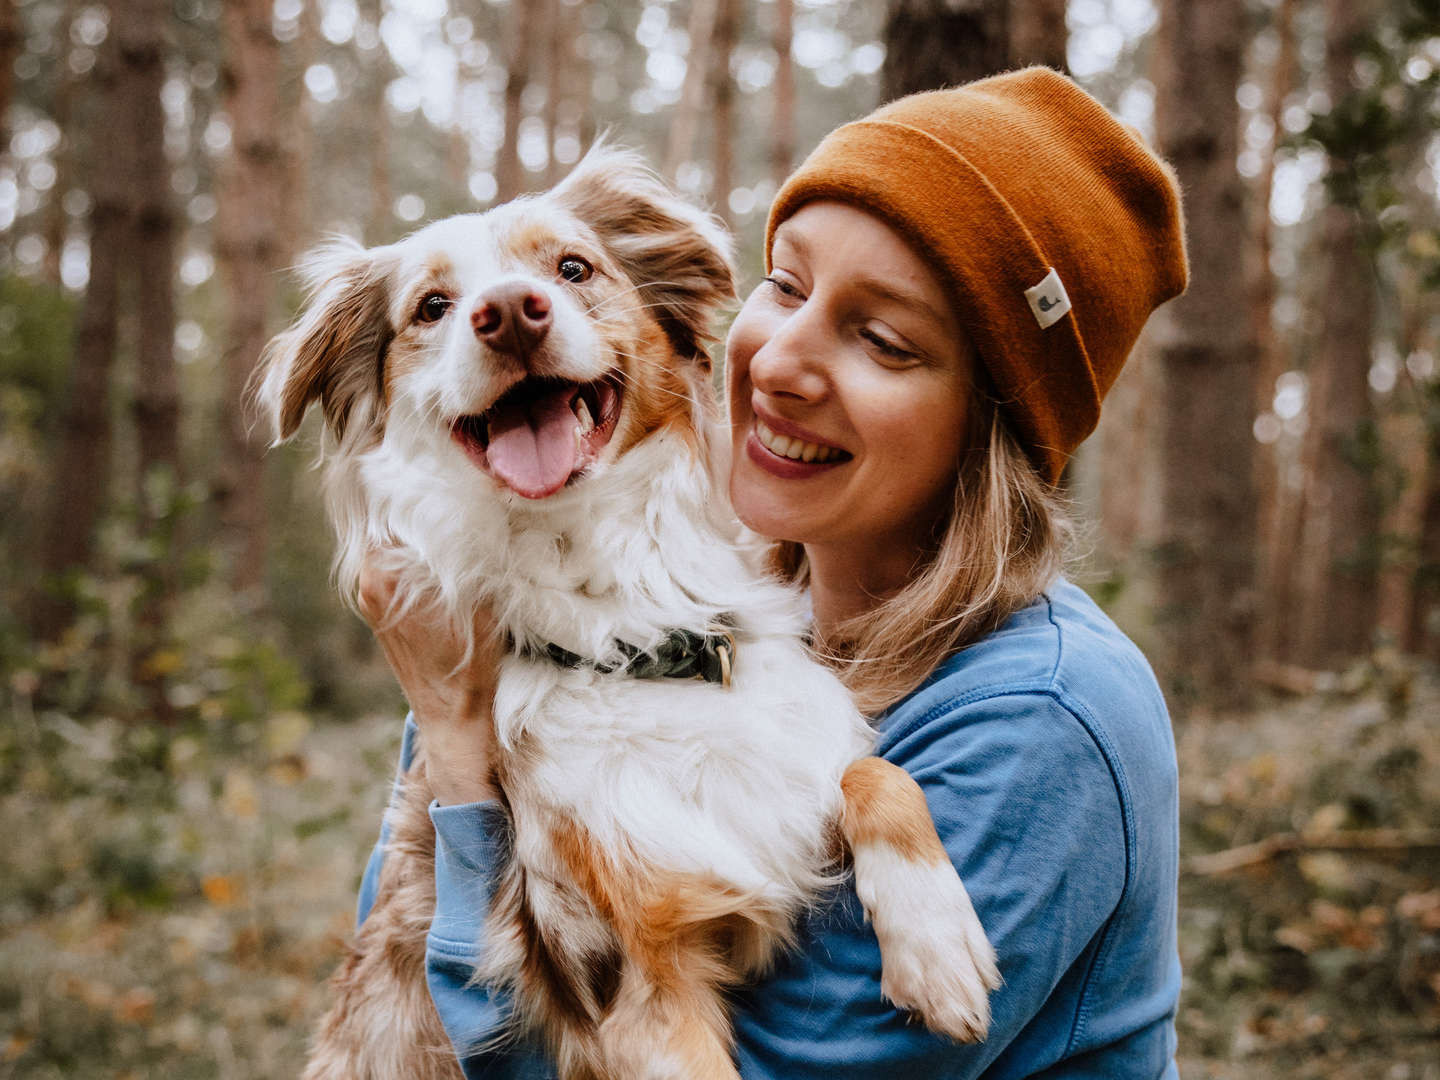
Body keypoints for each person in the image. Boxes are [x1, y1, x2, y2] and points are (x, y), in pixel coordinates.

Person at [355, 66, 1188, 1078]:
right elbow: (393, 970)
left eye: (882, 340)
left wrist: (457, 748)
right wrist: (452, 729)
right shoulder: (665, 612)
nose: (779, 360)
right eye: (785, 283)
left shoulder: (1049, 717)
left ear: (992, 422)